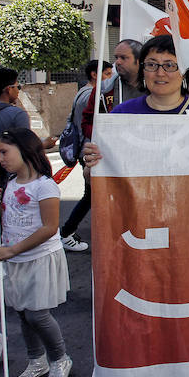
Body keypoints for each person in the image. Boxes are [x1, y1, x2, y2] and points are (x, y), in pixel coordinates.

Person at [82, 36, 189, 377]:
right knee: (150, 325)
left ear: (185, 72)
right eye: (153, 64)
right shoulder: (121, 116)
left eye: (169, 64)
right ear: (142, 72)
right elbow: (105, 184)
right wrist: (93, 166)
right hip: (142, 240)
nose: (160, 72)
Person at [0, 128, 72, 377]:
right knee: (22, 314)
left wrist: (13, 250)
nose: (0, 159)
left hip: (38, 258)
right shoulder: (9, 183)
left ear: (25, 150)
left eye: (4, 152)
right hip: (15, 260)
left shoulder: (44, 185)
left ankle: (60, 358)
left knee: (37, 315)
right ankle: (36, 360)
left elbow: (49, 228)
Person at [59, 60, 113, 253]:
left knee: (95, 195)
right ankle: (66, 232)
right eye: (107, 73)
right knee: (90, 196)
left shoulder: (85, 91)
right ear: (94, 74)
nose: (110, 77)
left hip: (87, 150)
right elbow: (89, 125)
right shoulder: (90, 94)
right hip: (89, 151)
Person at [0, 69, 57, 175]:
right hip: (8, 176)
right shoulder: (16, 114)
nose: (19, 91)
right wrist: (45, 143)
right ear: (8, 90)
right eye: (18, 87)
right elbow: (26, 146)